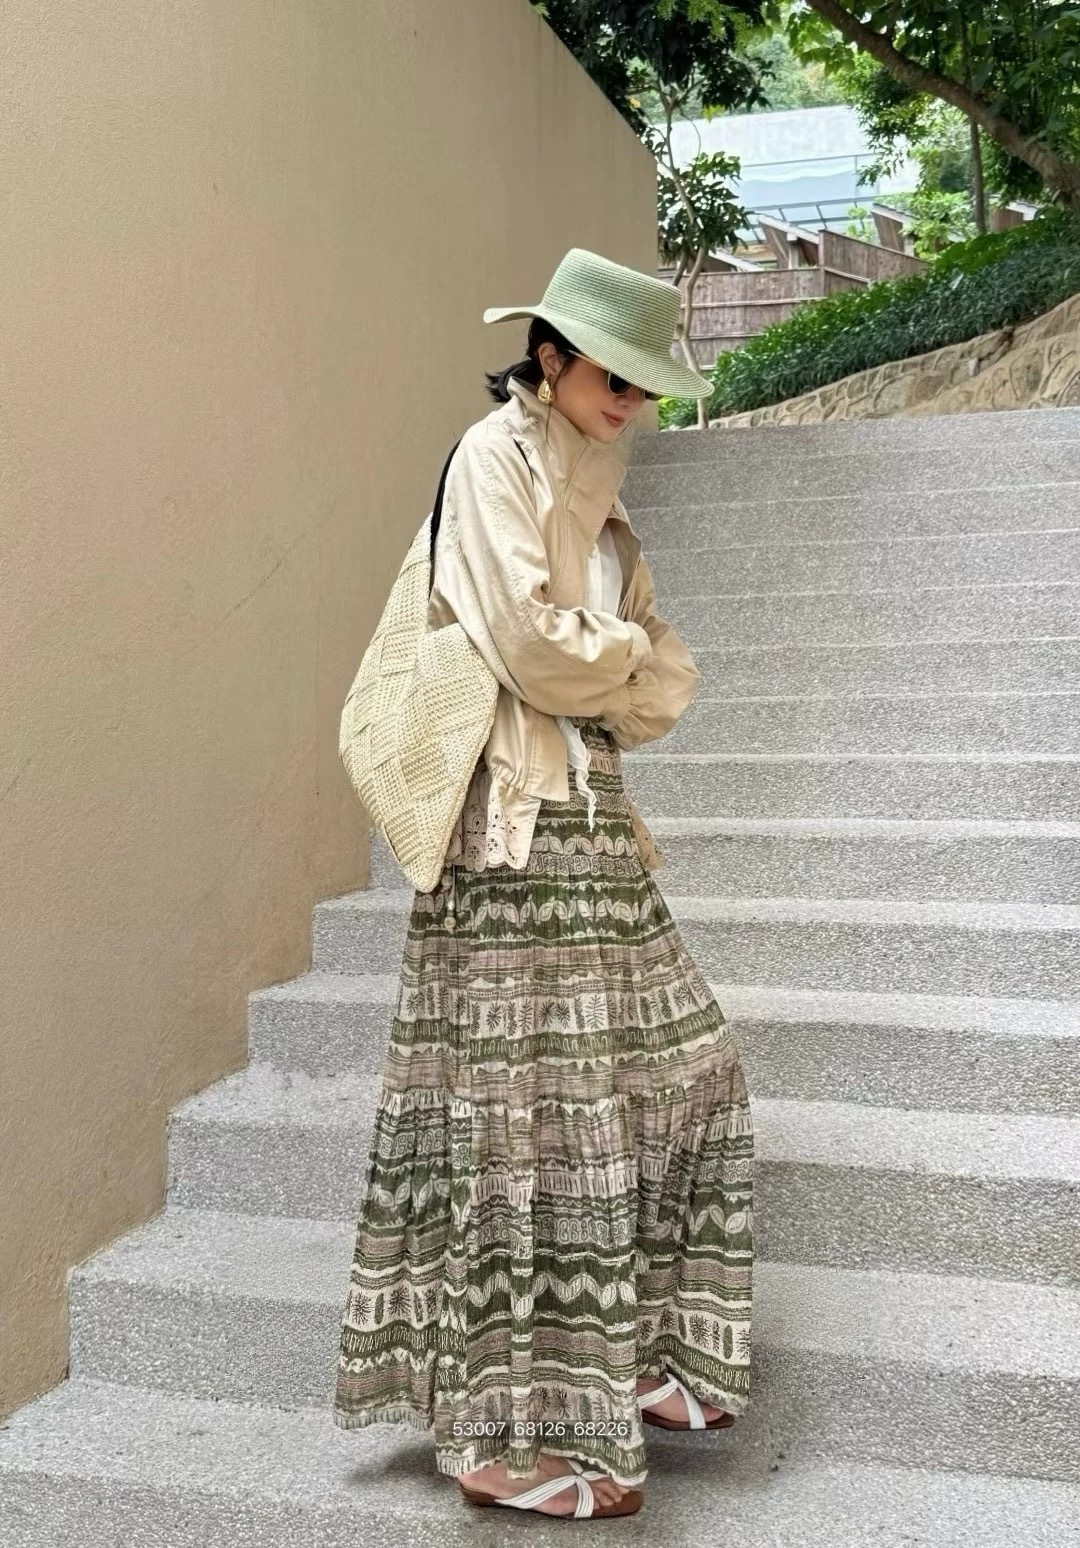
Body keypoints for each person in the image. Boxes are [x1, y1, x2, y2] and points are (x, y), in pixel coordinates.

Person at [332, 248, 754, 1521]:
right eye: (615, 378)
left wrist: (602, 660)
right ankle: (501, 1441)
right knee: (531, 1130)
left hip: (595, 826)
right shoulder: (492, 462)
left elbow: (662, 681)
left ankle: (640, 1351)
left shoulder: (605, 504)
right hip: (513, 834)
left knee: (693, 1069)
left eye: (647, 386)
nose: (633, 403)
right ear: (551, 357)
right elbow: (531, 646)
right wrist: (610, 662)